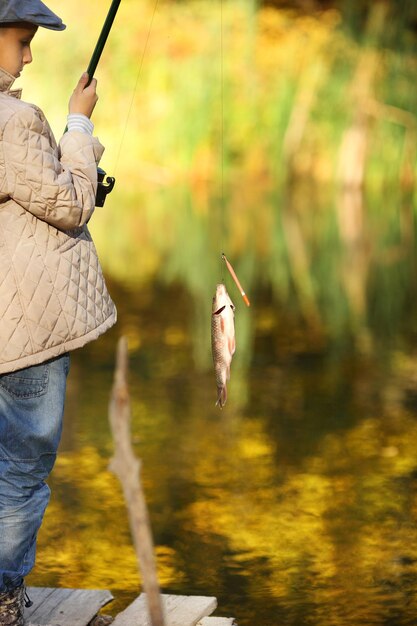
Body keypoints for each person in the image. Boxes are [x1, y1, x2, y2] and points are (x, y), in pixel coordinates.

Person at [0, 1, 117, 623]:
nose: (28, 55)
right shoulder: (15, 121)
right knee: (22, 466)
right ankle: (1, 597)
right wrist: (78, 124)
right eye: (20, 40)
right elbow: (69, 205)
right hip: (27, 333)